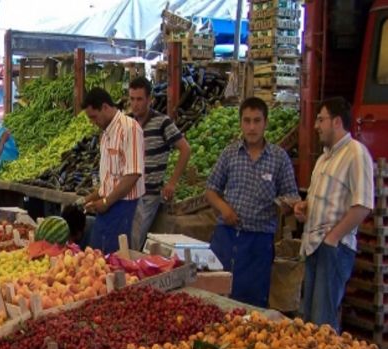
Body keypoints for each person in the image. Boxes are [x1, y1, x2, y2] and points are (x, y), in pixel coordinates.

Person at [205, 97, 299, 308]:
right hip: (226, 236)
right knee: (217, 296)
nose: (252, 127)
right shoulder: (230, 153)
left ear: (265, 122)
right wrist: (224, 208)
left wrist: (285, 205)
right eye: (247, 121)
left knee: (252, 303)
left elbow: (291, 196)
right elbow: (211, 189)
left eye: (257, 121)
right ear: (241, 123)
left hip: (259, 241)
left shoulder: (279, 158)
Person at [294, 97, 374, 332]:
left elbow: (363, 205)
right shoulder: (323, 159)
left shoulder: (356, 154)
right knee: (308, 319)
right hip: (312, 246)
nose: (316, 125)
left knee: (323, 320)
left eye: (321, 119)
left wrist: (333, 238)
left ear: (337, 121)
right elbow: (319, 200)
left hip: (333, 249)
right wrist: (304, 207)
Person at [127, 77, 192, 251]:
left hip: (149, 195)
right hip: (127, 195)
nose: (135, 104)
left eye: (140, 99)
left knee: (134, 241)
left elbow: (185, 150)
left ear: (150, 99)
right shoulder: (128, 124)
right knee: (124, 241)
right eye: (132, 99)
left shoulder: (162, 123)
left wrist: (172, 182)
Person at [82, 87, 145, 255]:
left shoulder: (129, 128)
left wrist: (105, 202)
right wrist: (91, 198)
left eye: (93, 117)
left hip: (125, 209)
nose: (92, 122)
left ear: (105, 107)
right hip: (108, 208)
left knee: (119, 262)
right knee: (99, 260)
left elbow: (133, 174)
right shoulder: (105, 135)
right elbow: (110, 178)